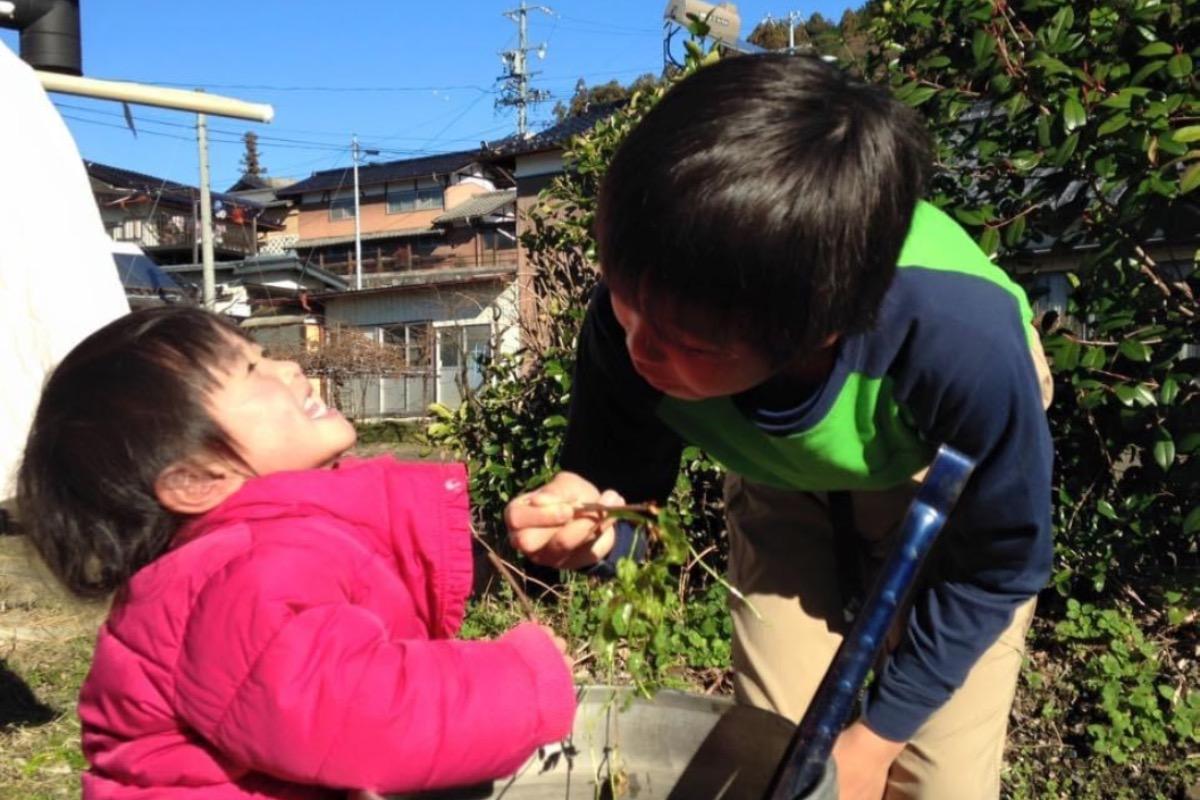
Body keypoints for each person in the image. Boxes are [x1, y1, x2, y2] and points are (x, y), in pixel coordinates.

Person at [504, 54, 1054, 800]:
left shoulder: (963, 348)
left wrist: (877, 736)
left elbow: (997, 567)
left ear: (818, 331)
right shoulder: (653, 312)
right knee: (776, 756)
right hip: (779, 448)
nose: (639, 349)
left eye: (688, 341)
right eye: (623, 296)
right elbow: (624, 489)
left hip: (918, 435)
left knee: (938, 780)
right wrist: (592, 520)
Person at [17, 306, 575, 799]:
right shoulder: (236, 574)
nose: (287, 368)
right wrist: (522, 679)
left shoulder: (259, 547)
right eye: (250, 369)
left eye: (264, 354)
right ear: (195, 479)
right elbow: (364, 715)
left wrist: (500, 543)